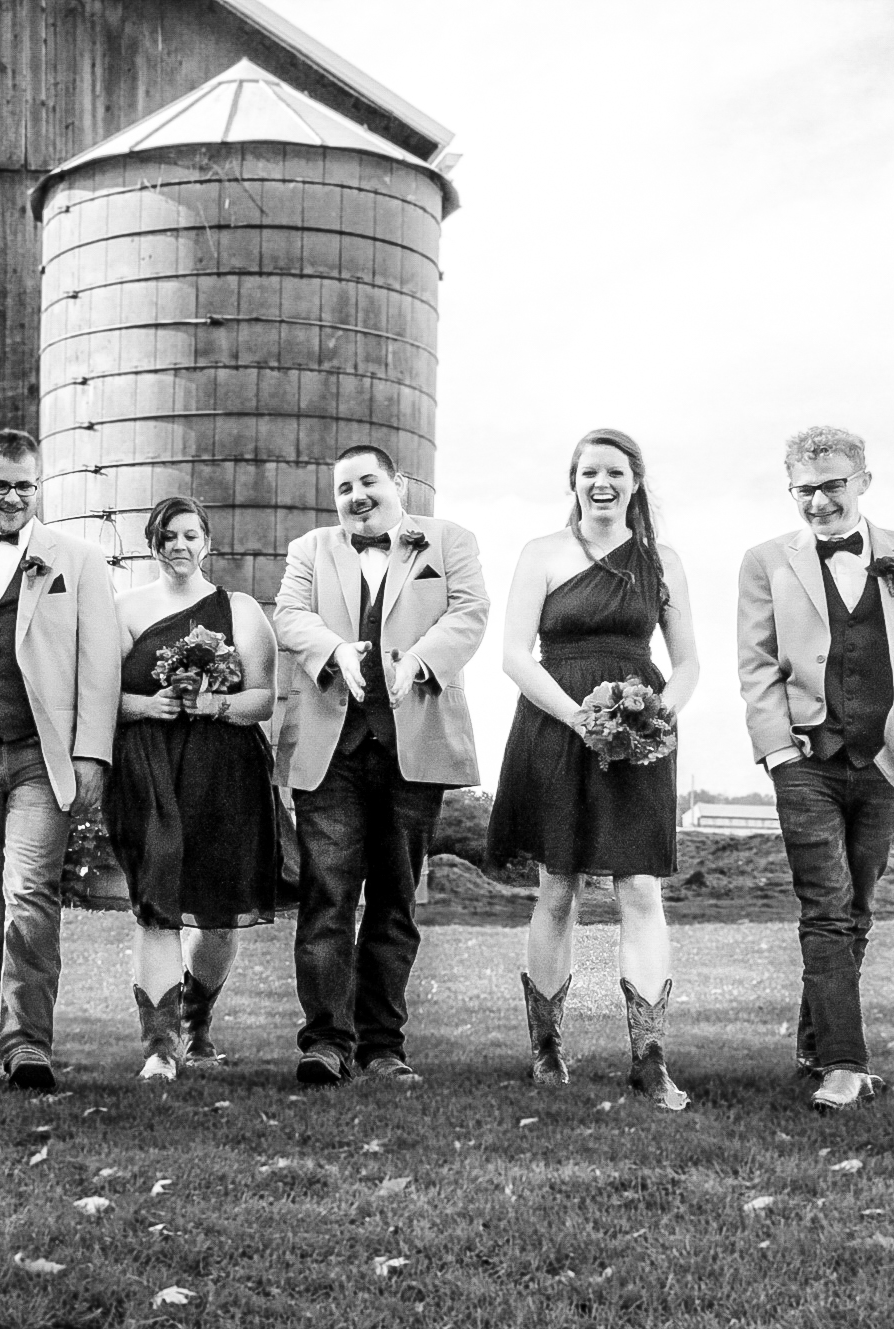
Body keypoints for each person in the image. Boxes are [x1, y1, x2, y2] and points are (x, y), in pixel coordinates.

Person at [489, 429, 699, 1110]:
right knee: (558, 886)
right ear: (573, 481)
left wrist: (655, 712)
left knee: (640, 887)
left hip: (637, 738)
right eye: (588, 472)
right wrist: (577, 714)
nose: (600, 483)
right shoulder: (541, 553)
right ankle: (547, 1049)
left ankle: (650, 1055)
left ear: (635, 481)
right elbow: (515, 655)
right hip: (556, 727)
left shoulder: (661, 561)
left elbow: (689, 659)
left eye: (614, 472)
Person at [738, 426, 894, 1114]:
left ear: (863, 481)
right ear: (790, 488)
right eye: (806, 489)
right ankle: (846, 1064)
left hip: (883, 761)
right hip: (805, 759)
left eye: (833, 485)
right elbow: (758, 663)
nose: (820, 502)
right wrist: (775, 748)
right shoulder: (765, 560)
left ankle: (811, 1044)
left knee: (857, 908)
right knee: (826, 907)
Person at [274, 443, 489, 1087]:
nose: (356, 496)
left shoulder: (447, 541)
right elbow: (288, 615)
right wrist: (336, 652)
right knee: (327, 898)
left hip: (413, 748)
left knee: (395, 902)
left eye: (368, 481)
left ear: (398, 484)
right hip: (329, 750)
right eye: (343, 488)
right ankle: (324, 1042)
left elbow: (470, 613)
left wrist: (418, 661)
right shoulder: (310, 550)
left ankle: (382, 1044)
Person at [0, 429, 122, 1091]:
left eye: (24, 486)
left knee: (31, 894)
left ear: (40, 488)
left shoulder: (80, 561)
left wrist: (92, 755)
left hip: (43, 756)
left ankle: (28, 1041)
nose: (11, 497)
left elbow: (99, 667)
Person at [105, 497, 279, 1080]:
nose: (178, 546)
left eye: (189, 535)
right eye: (166, 537)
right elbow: (98, 696)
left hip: (225, 768)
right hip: (149, 768)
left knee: (219, 912)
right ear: (151, 544)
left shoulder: (242, 609)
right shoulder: (124, 608)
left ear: (208, 541)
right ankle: (159, 1046)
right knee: (157, 905)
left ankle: (195, 1027)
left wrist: (214, 702)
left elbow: (262, 698)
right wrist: (148, 704)